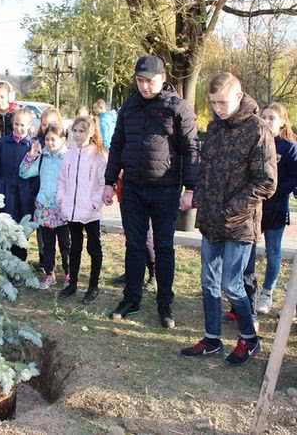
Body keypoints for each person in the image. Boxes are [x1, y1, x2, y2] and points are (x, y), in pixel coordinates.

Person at [180, 72, 276, 366]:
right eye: (213, 103)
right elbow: (207, 170)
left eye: (222, 102)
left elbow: (267, 182)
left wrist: (232, 207)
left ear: (238, 96)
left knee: (232, 284)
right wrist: (195, 195)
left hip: (240, 223)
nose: (218, 109)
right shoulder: (215, 128)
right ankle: (211, 340)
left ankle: (249, 339)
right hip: (211, 220)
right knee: (209, 283)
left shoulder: (258, 130)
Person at [103, 55, 199, 329]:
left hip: (166, 188)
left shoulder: (178, 107)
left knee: (164, 247)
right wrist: (109, 181)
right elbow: (117, 143)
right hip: (132, 187)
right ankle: (131, 298)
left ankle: (165, 303)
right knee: (134, 245)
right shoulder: (128, 107)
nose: (145, 86)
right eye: (140, 81)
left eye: (150, 81)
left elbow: (191, 149)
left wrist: (191, 188)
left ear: (163, 78)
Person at [57, 116, 108, 304]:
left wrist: (94, 203)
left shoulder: (97, 155)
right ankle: (73, 283)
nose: (78, 135)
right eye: (75, 131)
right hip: (72, 210)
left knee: (94, 248)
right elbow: (62, 179)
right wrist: (62, 199)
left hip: (90, 211)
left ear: (91, 132)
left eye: (82, 131)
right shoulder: (69, 153)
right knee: (75, 247)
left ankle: (93, 286)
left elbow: (103, 183)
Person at [256, 103, 297, 314]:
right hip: (253, 206)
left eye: (272, 117)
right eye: (263, 116)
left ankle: (267, 293)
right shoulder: (254, 141)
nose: (266, 121)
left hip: (276, 207)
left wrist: (274, 190)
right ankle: (248, 290)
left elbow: (294, 179)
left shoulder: (289, 147)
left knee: (273, 252)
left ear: (282, 122)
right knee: (247, 250)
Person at [19, 124, 70, 288]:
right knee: (47, 243)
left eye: (53, 139)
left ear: (62, 139)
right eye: (47, 139)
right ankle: (49, 273)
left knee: (66, 243)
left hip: (62, 208)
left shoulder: (69, 158)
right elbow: (24, 172)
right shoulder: (43, 157)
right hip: (44, 207)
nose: (49, 142)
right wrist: (31, 155)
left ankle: (69, 273)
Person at [0, 108, 38, 260]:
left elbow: (36, 173)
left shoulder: (32, 146)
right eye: (16, 124)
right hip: (4, 191)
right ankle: (4, 262)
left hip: (23, 195)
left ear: (29, 126)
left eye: (23, 125)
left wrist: (30, 192)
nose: (19, 128)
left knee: (21, 228)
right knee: (4, 226)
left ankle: (20, 263)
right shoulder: (3, 143)